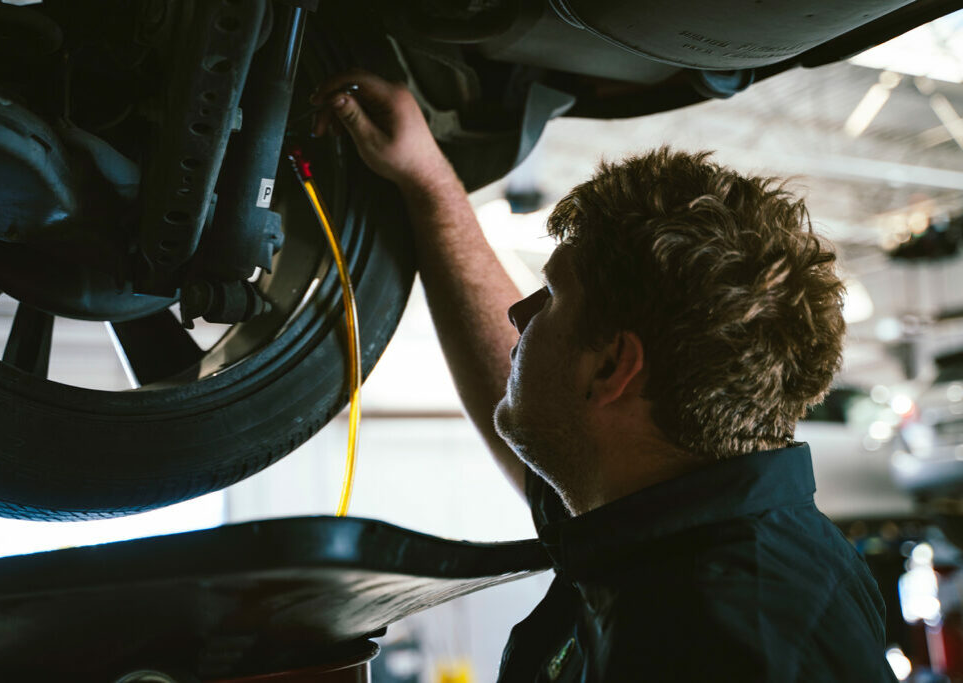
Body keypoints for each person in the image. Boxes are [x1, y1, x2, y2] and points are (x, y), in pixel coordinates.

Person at [309, 70, 896, 682]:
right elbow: (533, 397)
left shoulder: (719, 644)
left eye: (552, 297)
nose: (519, 314)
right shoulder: (666, 509)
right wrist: (427, 180)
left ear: (614, 367)